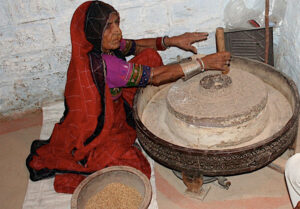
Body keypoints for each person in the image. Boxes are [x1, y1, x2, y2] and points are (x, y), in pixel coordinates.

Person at [26, 0, 231, 194]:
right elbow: (156, 77)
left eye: (117, 22)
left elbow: (137, 46)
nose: (117, 31)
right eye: (108, 26)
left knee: (150, 56)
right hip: (96, 125)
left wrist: (172, 41)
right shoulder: (106, 65)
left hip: (112, 98)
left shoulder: (102, 46)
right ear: (93, 33)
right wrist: (203, 63)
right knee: (134, 166)